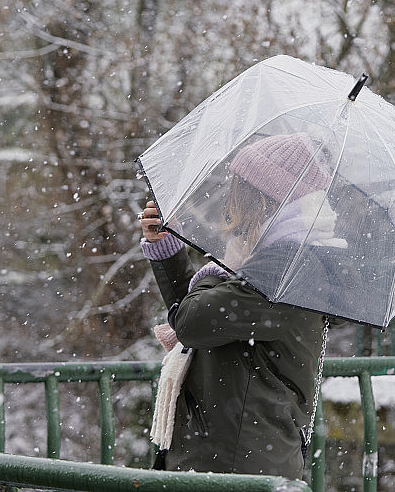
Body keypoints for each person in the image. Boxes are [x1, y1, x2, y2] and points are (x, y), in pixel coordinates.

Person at [139, 133, 339, 479]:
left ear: (263, 198)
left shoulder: (284, 271)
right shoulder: (282, 261)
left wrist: (214, 272)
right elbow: (200, 321)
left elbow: (192, 323)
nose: (231, 200)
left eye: (239, 188)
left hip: (235, 465)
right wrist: (169, 252)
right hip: (237, 458)